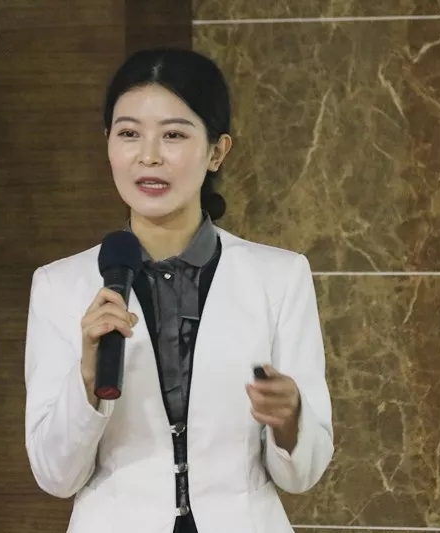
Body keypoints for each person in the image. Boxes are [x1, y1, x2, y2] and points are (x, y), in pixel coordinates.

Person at [24, 47, 334, 533]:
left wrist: (291, 418)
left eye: (173, 134)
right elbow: (54, 476)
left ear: (217, 151)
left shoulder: (279, 277)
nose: (148, 156)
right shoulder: (59, 286)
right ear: (108, 144)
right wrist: (86, 380)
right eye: (129, 133)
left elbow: (303, 474)